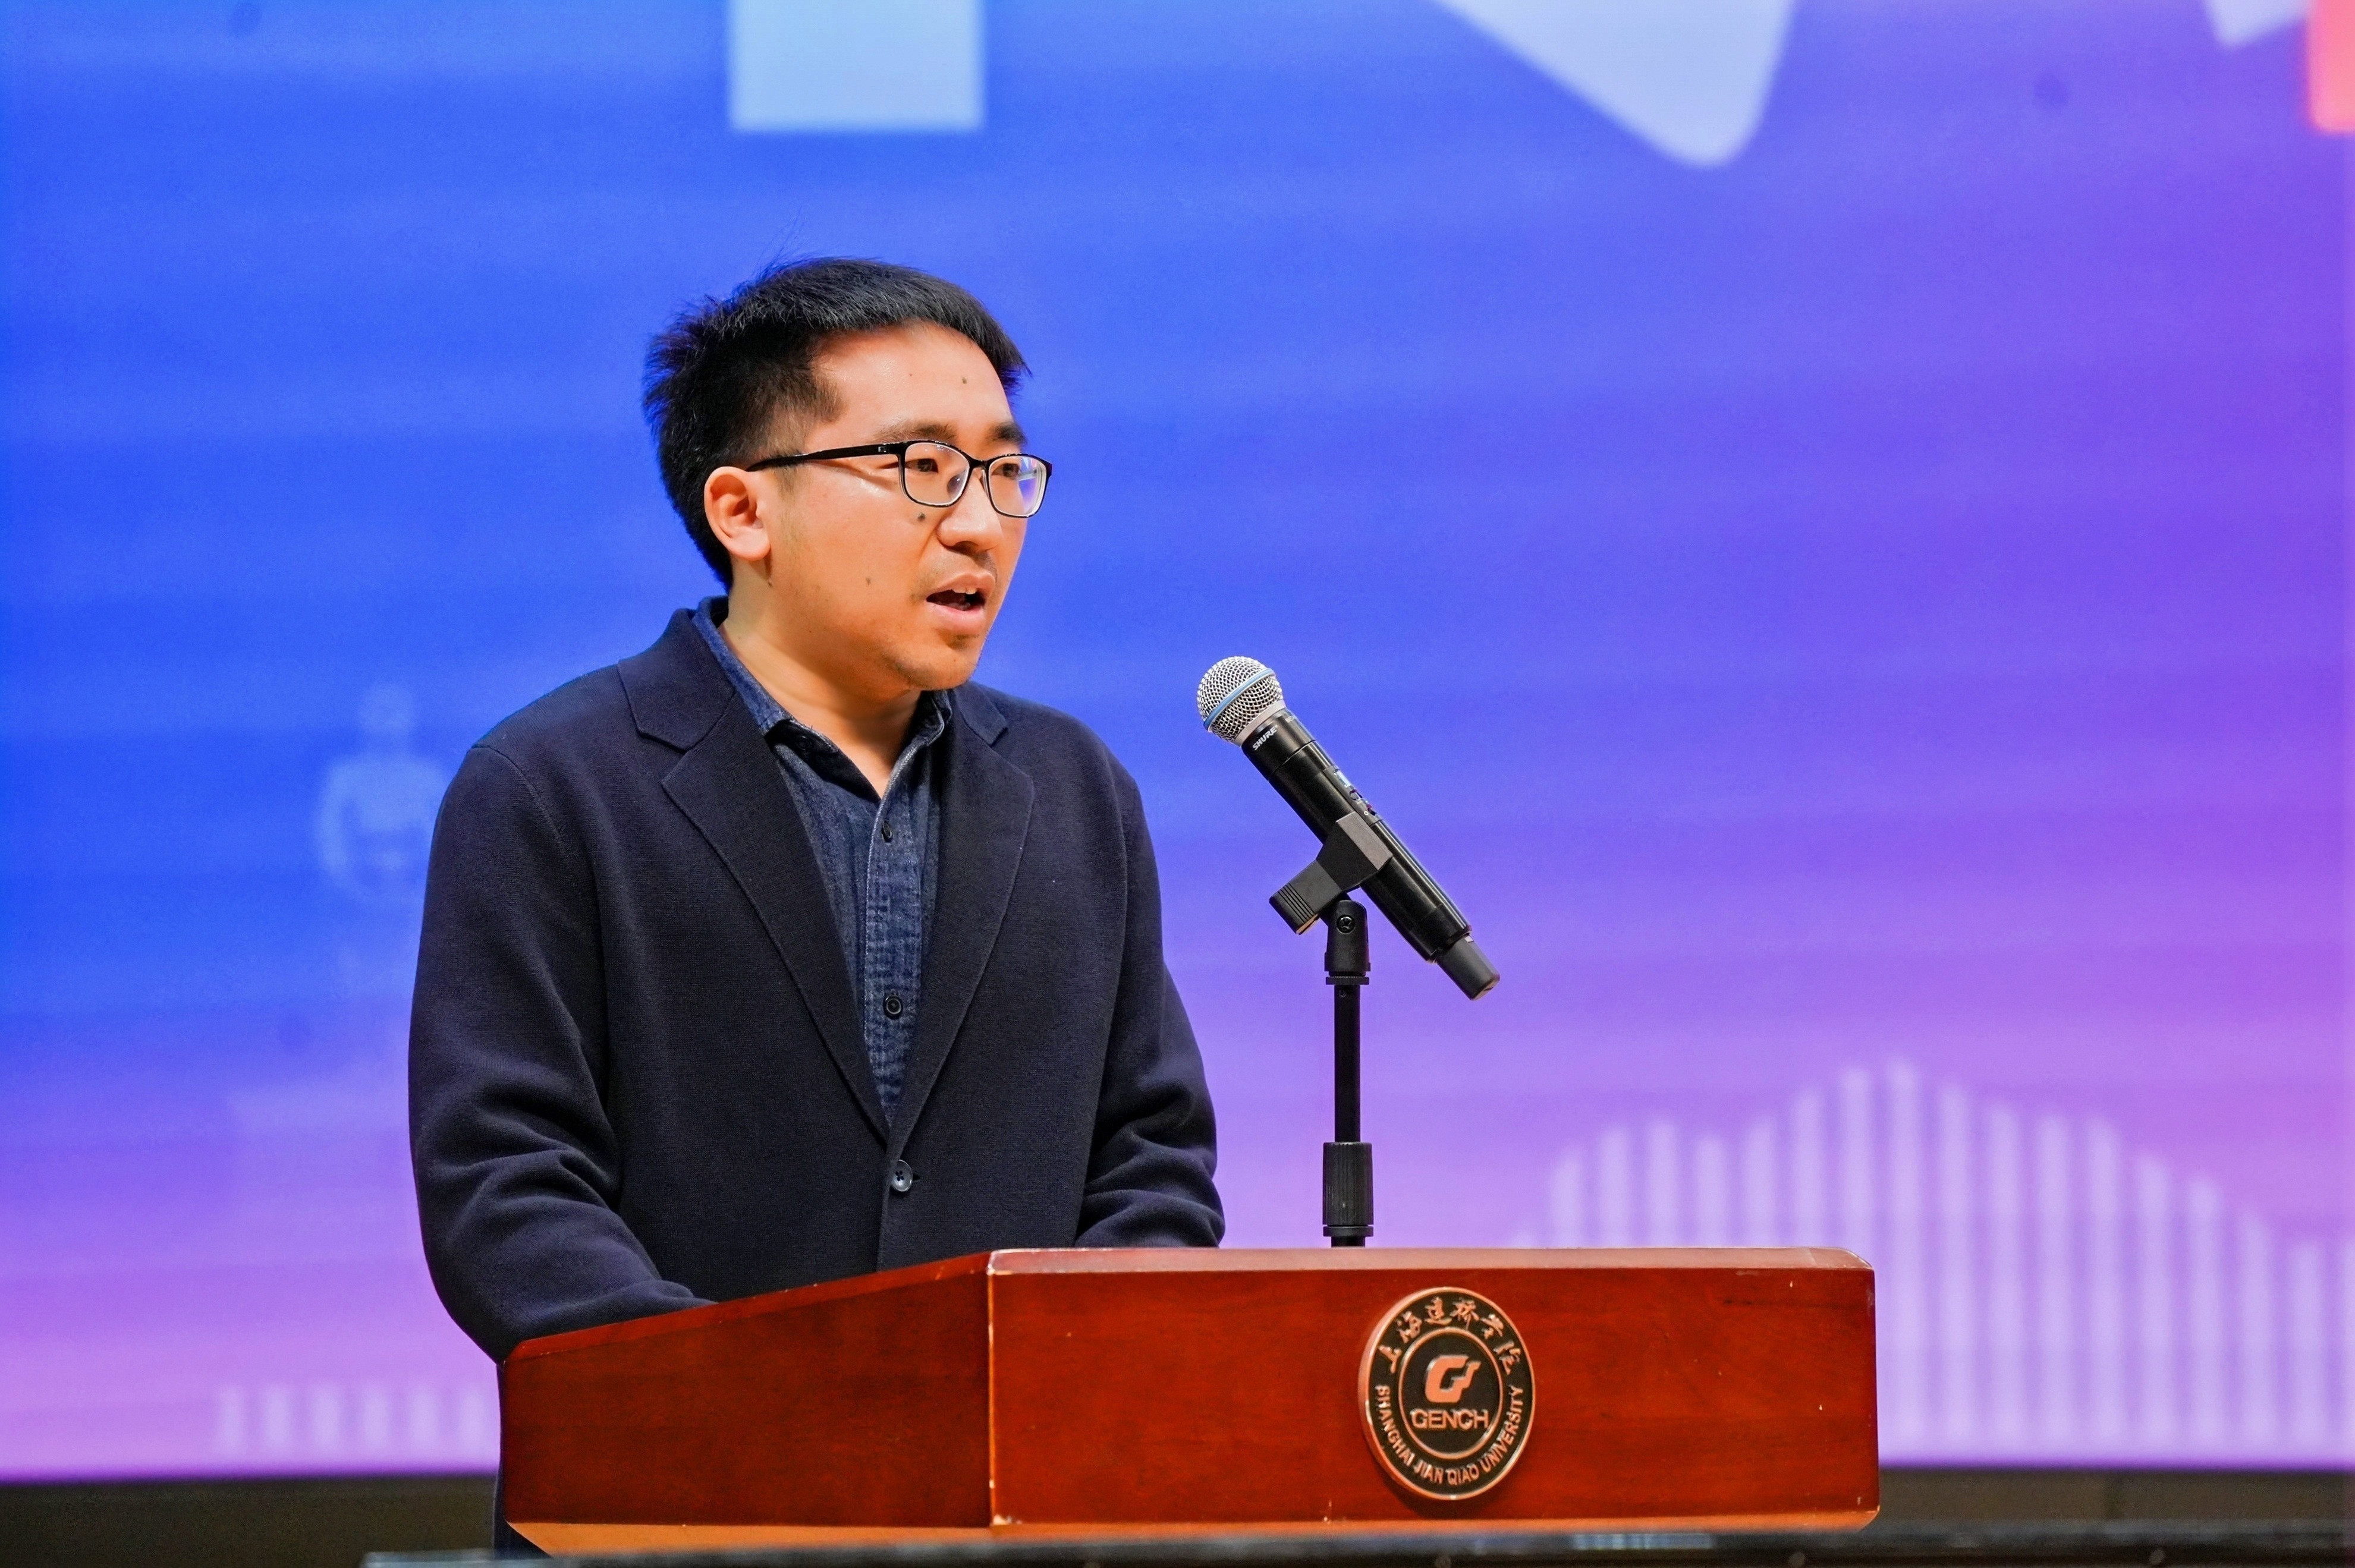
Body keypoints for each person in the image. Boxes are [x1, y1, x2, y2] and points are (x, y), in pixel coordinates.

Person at [408, 259, 1224, 1380]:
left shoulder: (1071, 786)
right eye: (923, 467)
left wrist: (1051, 1376)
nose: (980, 524)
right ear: (744, 510)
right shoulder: (552, 785)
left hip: (1020, 1474)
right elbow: (506, 1187)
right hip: (684, 1473)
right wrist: (771, 1407)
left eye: (1003, 470)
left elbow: (1153, 1160)